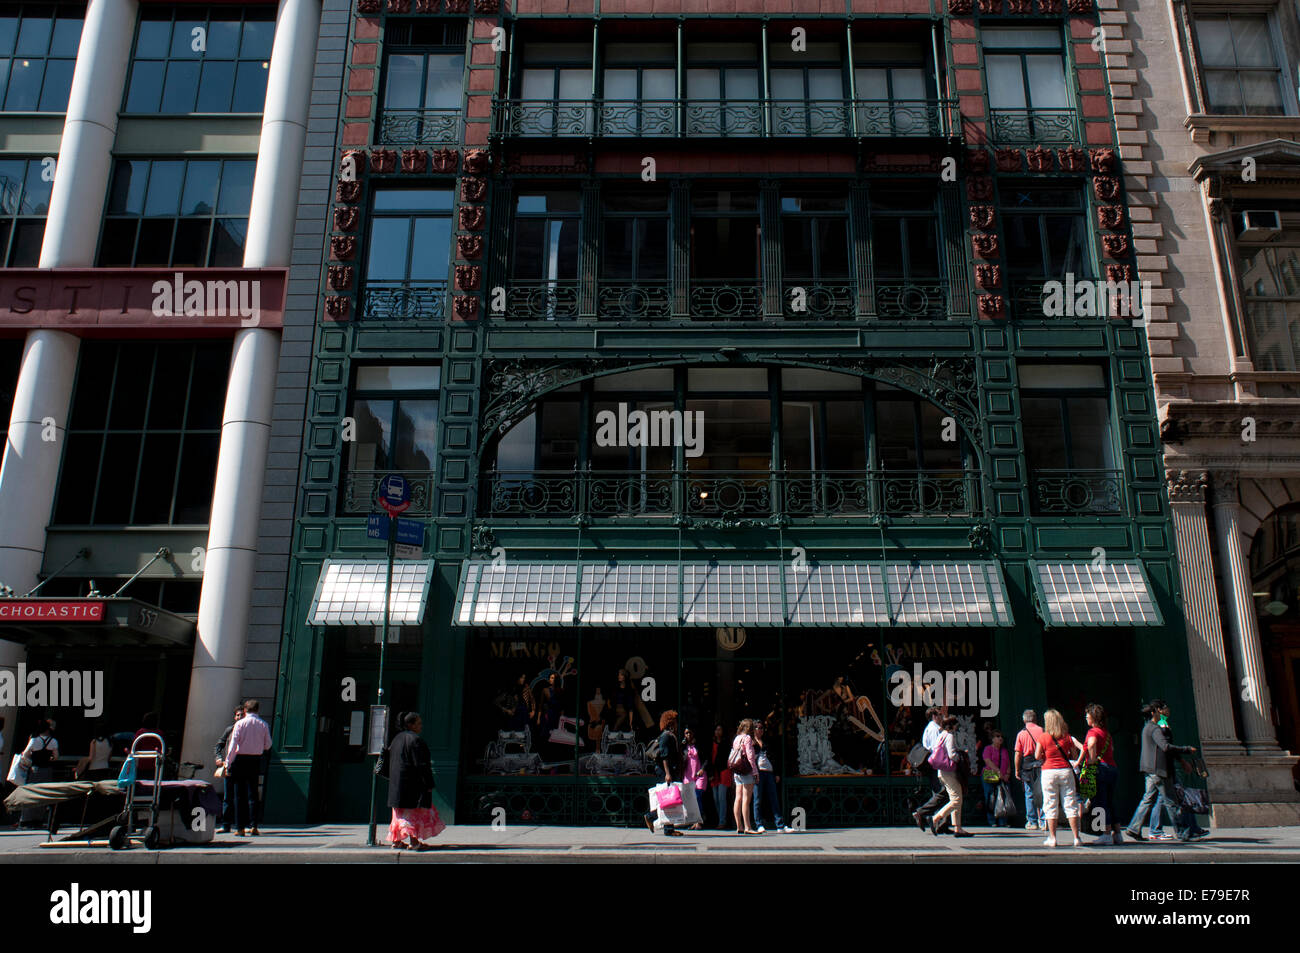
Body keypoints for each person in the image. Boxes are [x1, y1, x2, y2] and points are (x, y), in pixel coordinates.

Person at [1124, 699, 1203, 843]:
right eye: (1163, 708)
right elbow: (1165, 746)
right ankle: (1182, 833)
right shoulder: (1155, 728)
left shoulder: (1148, 727)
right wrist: (1186, 749)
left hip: (1150, 769)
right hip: (1159, 770)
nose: (1166, 710)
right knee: (1171, 802)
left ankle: (1133, 828)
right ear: (1156, 711)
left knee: (1147, 800)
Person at [386, 711, 444, 850]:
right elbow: (422, 765)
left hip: (396, 784)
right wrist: (429, 783)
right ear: (411, 725)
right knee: (412, 814)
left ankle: (397, 841)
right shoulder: (416, 740)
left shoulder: (396, 739)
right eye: (418, 723)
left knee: (399, 814)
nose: (421, 726)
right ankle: (414, 842)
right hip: (411, 786)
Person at [1035, 708, 1082, 848]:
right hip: (1065, 771)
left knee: (1050, 804)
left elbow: (1037, 756)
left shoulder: (1043, 737)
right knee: (1070, 803)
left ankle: (1053, 838)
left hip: (1049, 771)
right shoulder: (1067, 736)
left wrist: (1046, 755)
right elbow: (1073, 755)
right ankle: (1076, 837)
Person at [225, 699, 272, 837]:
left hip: (240, 759)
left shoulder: (240, 724)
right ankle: (253, 826)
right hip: (255, 760)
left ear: (245, 710)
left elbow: (233, 745)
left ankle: (240, 828)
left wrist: (228, 762)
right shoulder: (263, 724)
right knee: (253, 793)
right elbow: (268, 745)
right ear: (258, 710)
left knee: (239, 794)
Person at [1078, 703, 1121, 845]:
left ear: (1093, 717)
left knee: (1100, 801)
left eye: (1087, 715)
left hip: (1100, 769)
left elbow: (1091, 744)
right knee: (1110, 800)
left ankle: (1106, 834)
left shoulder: (1093, 732)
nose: (1085, 717)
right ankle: (1117, 833)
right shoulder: (1106, 733)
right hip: (1112, 768)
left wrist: (1091, 759)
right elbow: (1112, 749)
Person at [927, 715, 973, 837]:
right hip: (949, 772)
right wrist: (961, 756)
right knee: (956, 799)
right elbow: (952, 755)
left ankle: (958, 828)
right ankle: (935, 818)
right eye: (956, 725)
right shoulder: (949, 736)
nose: (957, 727)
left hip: (941, 772)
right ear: (952, 726)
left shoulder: (940, 736)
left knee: (956, 798)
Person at [644, 710, 684, 836]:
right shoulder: (666, 736)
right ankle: (654, 819)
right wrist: (668, 773)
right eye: (675, 721)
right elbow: (664, 756)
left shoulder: (670, 736)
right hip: (665, 771)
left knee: (670, 799)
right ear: (670, 722)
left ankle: (664, 825)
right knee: (668, 799)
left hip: (669, 770)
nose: (677, 724)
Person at [912, 707, 950, 831]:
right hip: (937, 766)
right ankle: (923, 814)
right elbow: (936, 750)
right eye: (939, 714)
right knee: (942, 794)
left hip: (935, 766)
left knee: (940, 793)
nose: (942, 717)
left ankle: (940, 823)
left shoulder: (931, 728)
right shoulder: (934, 729)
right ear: (934, 716)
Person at [751, 720, 792, 834]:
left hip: (769, 772)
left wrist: (776, 773)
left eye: (762, 728)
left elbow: (774, 757)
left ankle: (780, 825)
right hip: (758, 773)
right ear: (754, 730)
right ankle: (758, 824)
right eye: (758, 728)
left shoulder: (767, 742)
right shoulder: (751, 743)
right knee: (757, 799)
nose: (760, 730)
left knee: (774, 798)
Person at [18, 719, 58, 828]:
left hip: (35, 769)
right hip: (47, 770)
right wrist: (50, 758)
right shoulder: (53, 741)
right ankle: (38, 818)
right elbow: (56, 757)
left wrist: (30, 759)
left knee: (31, 792)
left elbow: (25, 753)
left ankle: (26, 819)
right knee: (43, 794)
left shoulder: (34, 740)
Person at [213, 706, 245, 834]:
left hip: (241, 766)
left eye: (241, 715)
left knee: (240, 797)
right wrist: (219, 757)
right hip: (229, 766)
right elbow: (219, 745)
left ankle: (240, 825)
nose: (239, 717)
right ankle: (226, 824)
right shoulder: (230, 730)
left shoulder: (246, 730)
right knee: (228, 797)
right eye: (237, 715)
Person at [1013, 709, 1045, 830]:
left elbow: (1018, 754)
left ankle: (1032, 821)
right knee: (1042, 792)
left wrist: (1017, 769)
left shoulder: (1021, 734)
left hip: (1027, 764)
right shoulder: (1042, 731)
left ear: (1024, 720)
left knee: (1029, 793)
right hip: (1040, 762)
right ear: (1035, 719)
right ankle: (1043, 820)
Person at [729, 719, 760, 835]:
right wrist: (755, 772)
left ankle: (739, 825)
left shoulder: (736, 738)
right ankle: (748, 826)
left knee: (738, 798)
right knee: (746, 800)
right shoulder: (747, 738)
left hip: (737, 771)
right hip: (746, 771)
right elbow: (750, 756)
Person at [981, 729, 1011, 827]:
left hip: (1003, 778)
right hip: (991, 775)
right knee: (990, 797)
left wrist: (1007, 773)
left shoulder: (1004, 751)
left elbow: (1008, 763)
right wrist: (998, 771)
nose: (1000, 738)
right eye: (997, 736)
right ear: (993, 739)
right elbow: (987, 760)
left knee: (1003, 797)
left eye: (1001, 736)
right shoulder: (988, 749)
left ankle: (1003, 820)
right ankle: (992, 820)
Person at [681, 726, 707, 831]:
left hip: (699, 774)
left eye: (689, 733)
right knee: (690, 800)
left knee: (697, 797)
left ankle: (699, 821)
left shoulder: (699, 745)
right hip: (687, 775)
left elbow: (706, 758)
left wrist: (702, 769)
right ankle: (693, 821)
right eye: (686, 733)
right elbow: (680, 760)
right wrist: (682, 747)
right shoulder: (684, 747)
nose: (688, 735)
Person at [708, 724, 732, 830]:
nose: (718, 732)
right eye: (716, 729)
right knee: (715, 798)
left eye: (720, 730)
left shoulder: (726, 742)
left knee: (722, 797)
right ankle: (720, 819)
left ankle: (722, 821)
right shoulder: (711, 743)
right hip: (714, 772)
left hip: (724, 770)